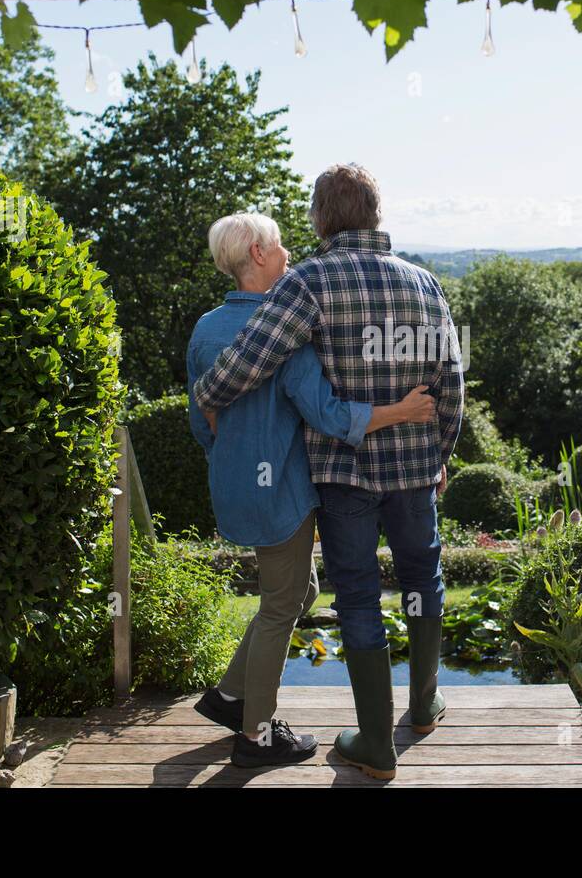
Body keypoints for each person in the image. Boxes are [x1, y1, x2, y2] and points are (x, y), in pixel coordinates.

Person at [194, 165, 464, 780]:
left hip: (344, 477)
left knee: (358, 596)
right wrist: (441, 449)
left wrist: (208, 393)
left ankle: (376, 744)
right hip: (415, 471)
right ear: (376, 211)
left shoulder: (308, 282)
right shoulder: (425, 283)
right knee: (424, 575)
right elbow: (452, 379)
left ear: (320, 218)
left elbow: (249, 360)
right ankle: (424, 705)